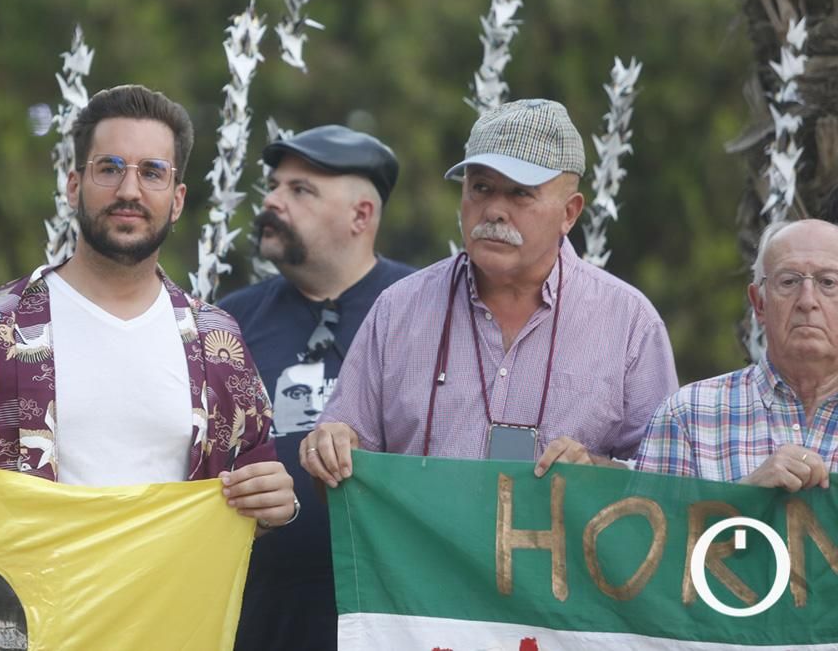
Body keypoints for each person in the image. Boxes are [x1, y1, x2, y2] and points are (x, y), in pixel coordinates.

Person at [0, 84, 297, 530]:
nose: (129, 190)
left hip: (174, 598)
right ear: (73, 186)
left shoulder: (217, 343)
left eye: (152, 172)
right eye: (109, 168)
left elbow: (256, 486)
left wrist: (275, 503)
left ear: (178, 200)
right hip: (24, 594)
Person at [301, 98, 678, 488]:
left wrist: (597, 470)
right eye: (481, 187)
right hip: (421, 551)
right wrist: (329, 448)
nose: (494, 210)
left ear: (570, 213)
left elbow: (669, 486)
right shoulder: (398, 310)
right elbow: (340, 458)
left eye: (520, 193)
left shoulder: (629, 323)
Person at [218, 125, 413, 651]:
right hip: (257, 620)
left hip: (392, 620)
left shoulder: (424, 309)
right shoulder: (228, 323)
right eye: (275, 186)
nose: (274, 201)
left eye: (301, 190)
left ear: (361, 216)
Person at [637, 219, 838, 489]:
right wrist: (743, 499)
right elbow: (651, 529)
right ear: (759, 304)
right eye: (788, 281)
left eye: (828, 282)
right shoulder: (688, 415)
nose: (807, 301)